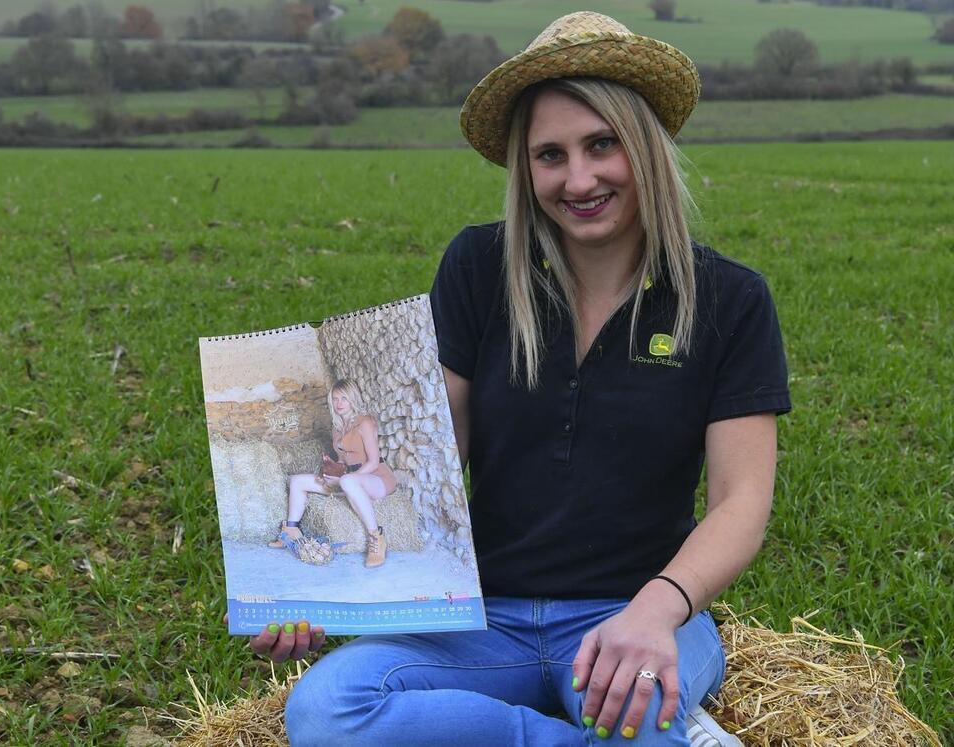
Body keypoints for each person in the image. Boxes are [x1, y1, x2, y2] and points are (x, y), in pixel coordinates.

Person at [246, 12, 791, 746]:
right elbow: (418, 462)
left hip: (635, 612)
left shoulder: (731, 300)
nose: (579, 178)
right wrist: (324, 581)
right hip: (483, 620)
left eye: (602, 145)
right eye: (550, 155)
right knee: (326, 709)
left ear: (647, 146)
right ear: (524, 168)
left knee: (628, 717)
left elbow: (740, 502)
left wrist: (658, 610)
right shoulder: (478, 271)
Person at [272, 379, 397, 568]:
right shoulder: (337, 428)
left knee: (348, 482)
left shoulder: (366, 422)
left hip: (376, 478)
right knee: (296, 481)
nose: (339, 404)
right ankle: (291, 531)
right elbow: (343, 462)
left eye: (344, 399)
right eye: (336, 399)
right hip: (348, 479)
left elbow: (373, 461)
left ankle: (376, 537)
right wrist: (331, 468)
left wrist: (343, 480)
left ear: (353, 399)